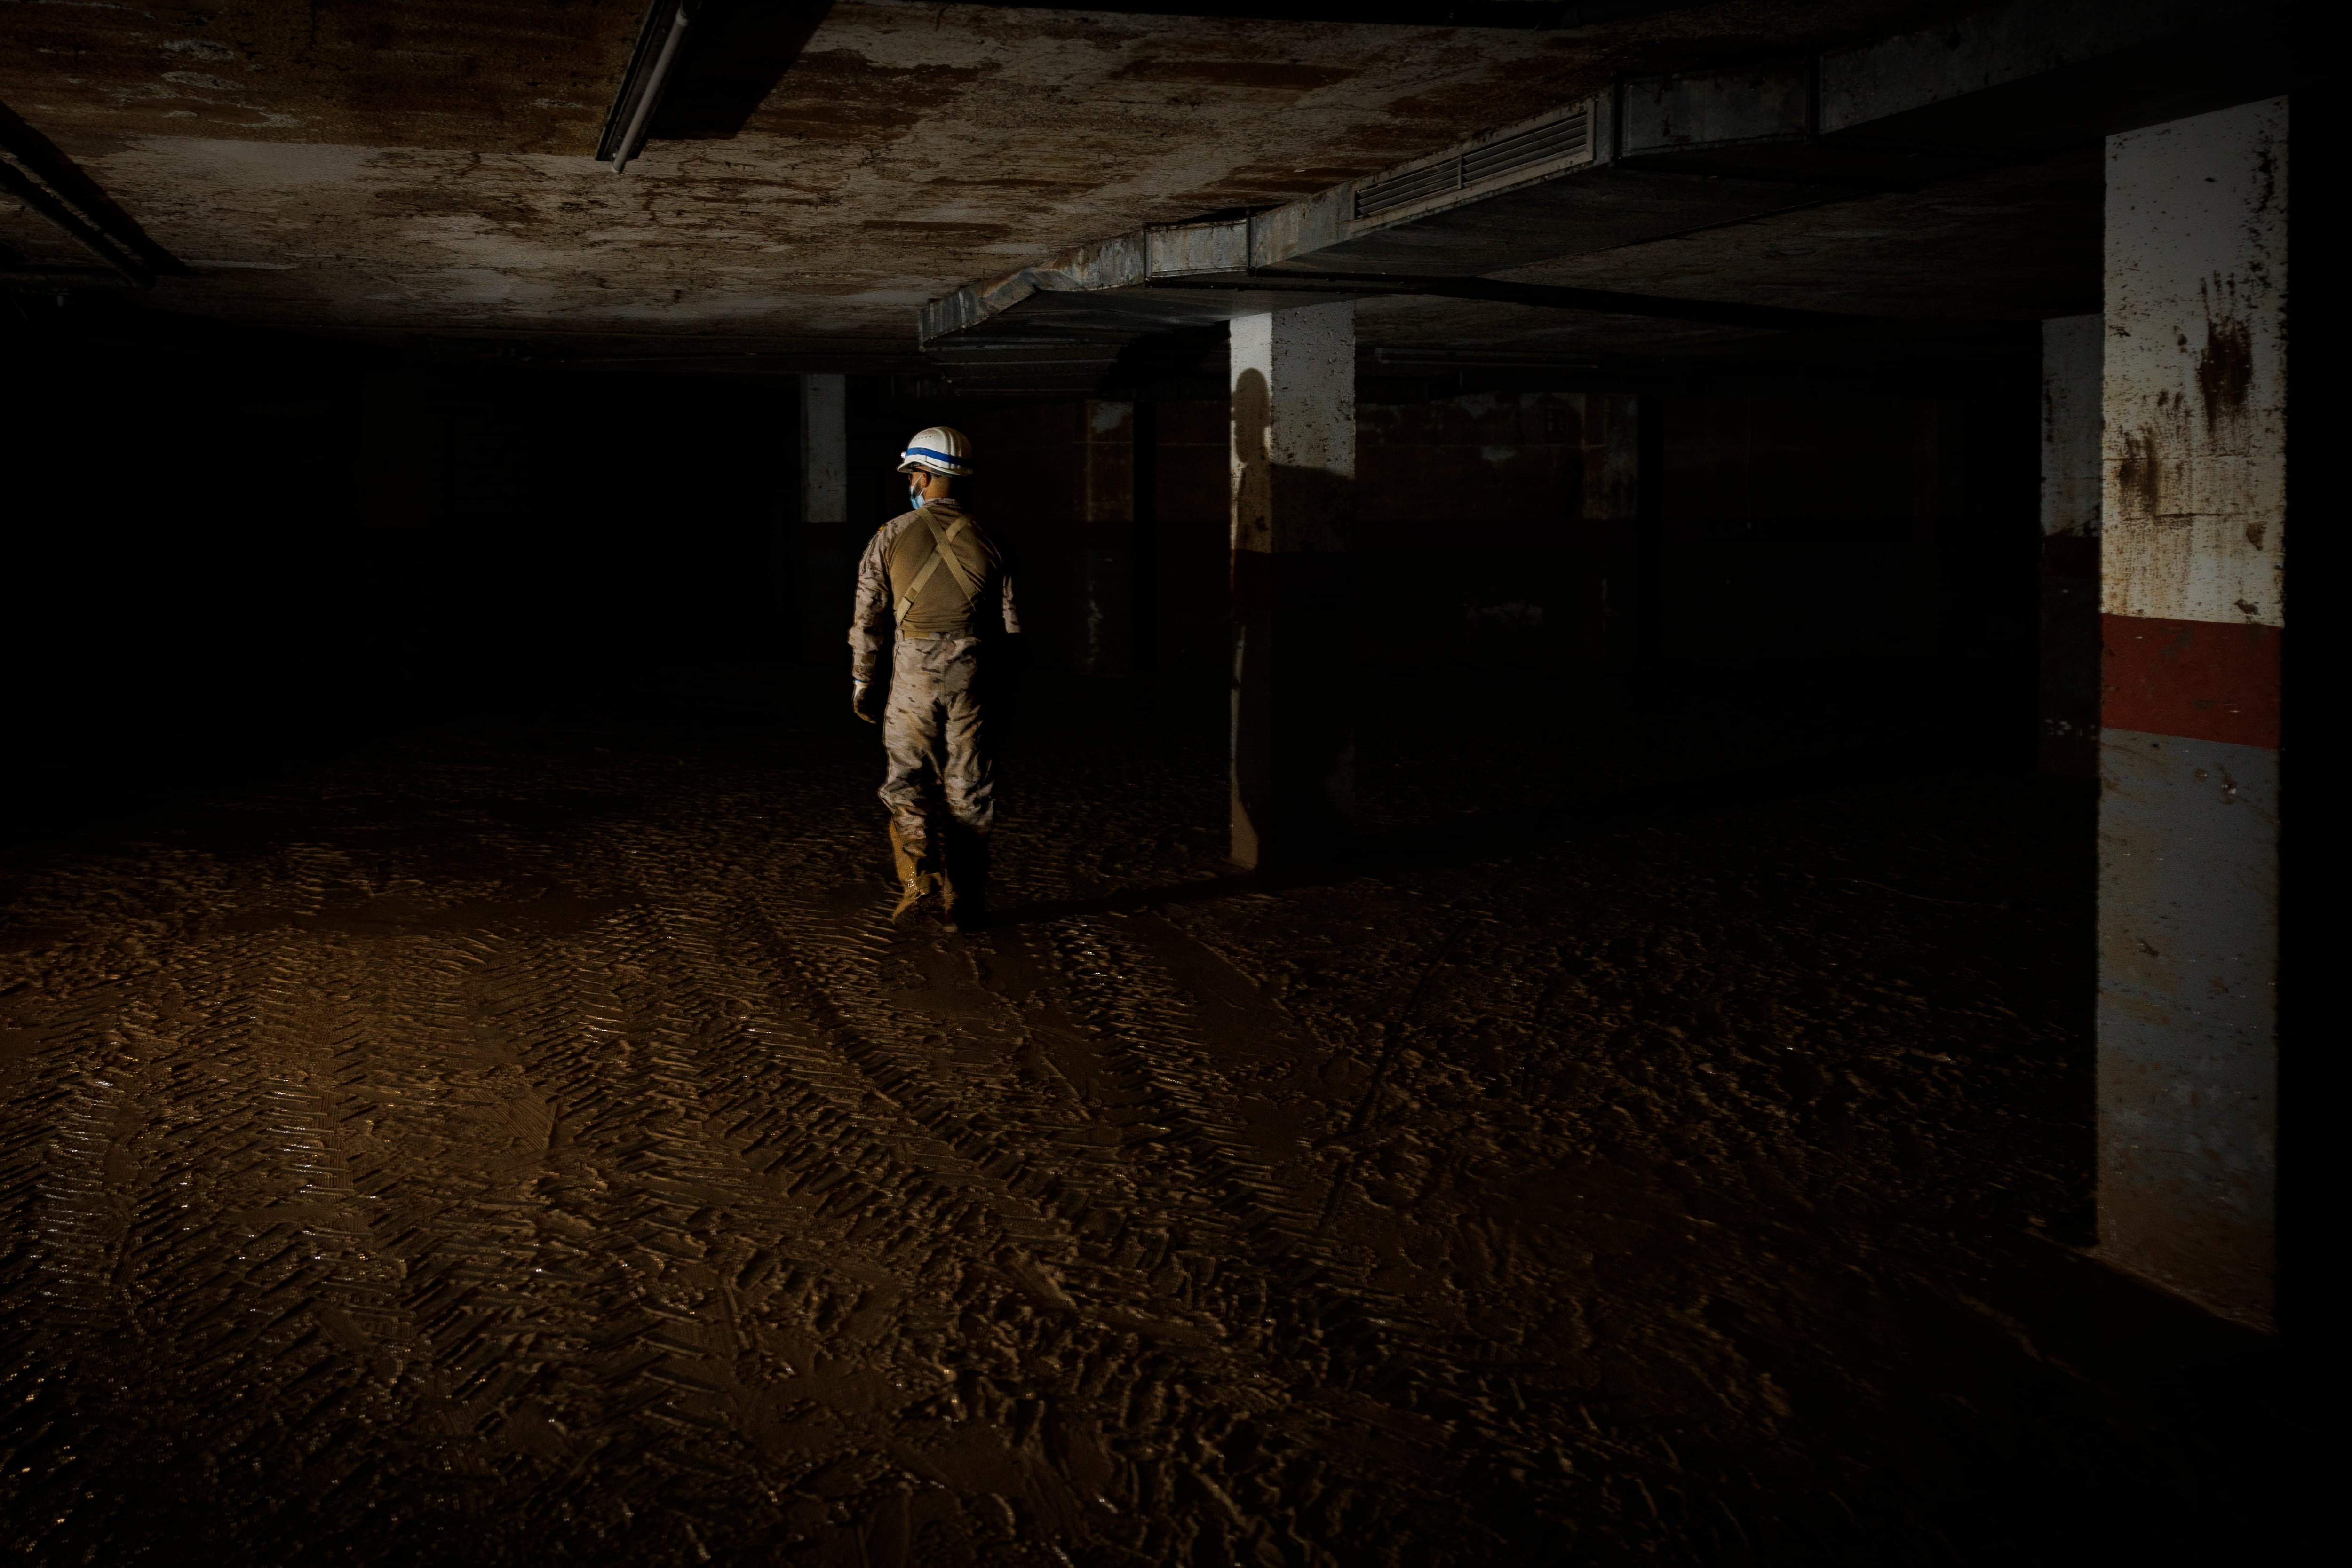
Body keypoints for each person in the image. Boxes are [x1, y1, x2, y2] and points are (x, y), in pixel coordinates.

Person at [848, 426, 1018, 929]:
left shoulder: (890, 536)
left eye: (913, 475)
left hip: (911, 681)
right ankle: (963, 901)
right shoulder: (991, 537)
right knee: (969, 787)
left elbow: (868, 621)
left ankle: (919, 877)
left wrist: (862, 682)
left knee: (906, 781)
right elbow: (1012, 624)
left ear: (921, 476)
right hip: (973, 675)